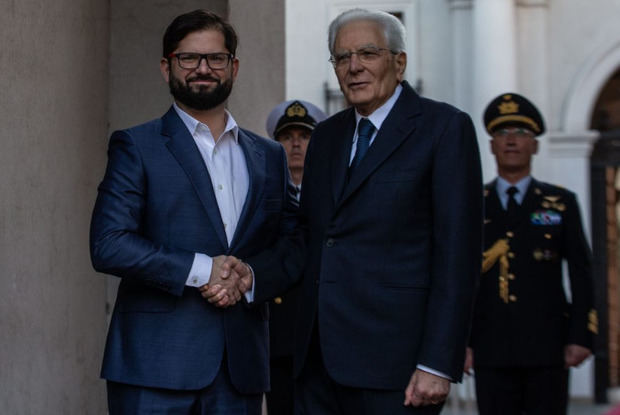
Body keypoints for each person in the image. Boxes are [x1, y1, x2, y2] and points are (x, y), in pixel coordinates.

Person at [89, 9, 299, 414]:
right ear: (167, 67)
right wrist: (206, 269)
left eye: (215, 58)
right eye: (189, 58)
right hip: (154, 368)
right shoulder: (137, 145)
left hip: (240, 370)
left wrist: (250, 276)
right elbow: (108, 243)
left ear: (233, 67)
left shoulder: (269, 156)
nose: (203, 68)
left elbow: (293, 243)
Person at [289, 8, 483, 414]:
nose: (353, 67)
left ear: (400, 62)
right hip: (316, 363)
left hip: (398, 368)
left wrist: (437, 361)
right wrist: (248, 274)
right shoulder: (325, 136)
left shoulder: (444, 128)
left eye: (368, 53)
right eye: (342, 57)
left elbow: (458, 255)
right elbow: (309, 236)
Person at [465, 92, 597, 415]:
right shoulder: (472, 204)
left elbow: (581, 272)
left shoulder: (559, 202)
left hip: (547, 348)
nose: (512, 141)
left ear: (535, 145)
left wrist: (582, 335)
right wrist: (459, 342)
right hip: (489, 347)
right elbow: (459, 278)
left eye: (522, 134)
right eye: (502, 133)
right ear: (492, 144)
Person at [264, 100, 326, 415]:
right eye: (288, 136)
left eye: (305, 135)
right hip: (281, 333)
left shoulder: (332, 199)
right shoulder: (263, 199)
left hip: (324, 335)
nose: (297, 143)